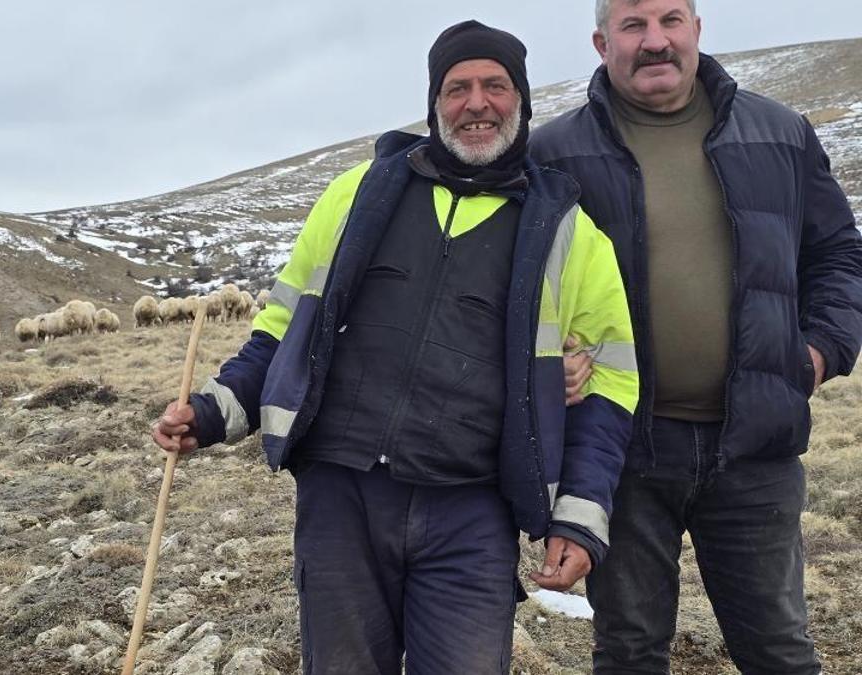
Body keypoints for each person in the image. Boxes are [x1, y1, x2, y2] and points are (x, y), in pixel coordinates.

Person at [151, 20, 638, 674]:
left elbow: (609, 385)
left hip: (472, 512)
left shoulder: (571, 236)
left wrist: (578, 517)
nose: (476, 103)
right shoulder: (354, 196)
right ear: (434, 101)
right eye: (457, 87)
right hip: (340, 500)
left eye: (495, 85)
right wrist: (212, 413)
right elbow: (283, 328)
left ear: (520, 100)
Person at [529, 1, 862, 673]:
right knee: (628, 651)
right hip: (621, 450)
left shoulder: (780, 133)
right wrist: (539, 366)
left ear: (696, 30)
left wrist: (820, 351)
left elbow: (838, 256)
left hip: (754, 448)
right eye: (633, 26)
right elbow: (514, 285)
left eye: (670, 21)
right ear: (602, 42)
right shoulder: (552, 153)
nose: (656, 42)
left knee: (778, 650)